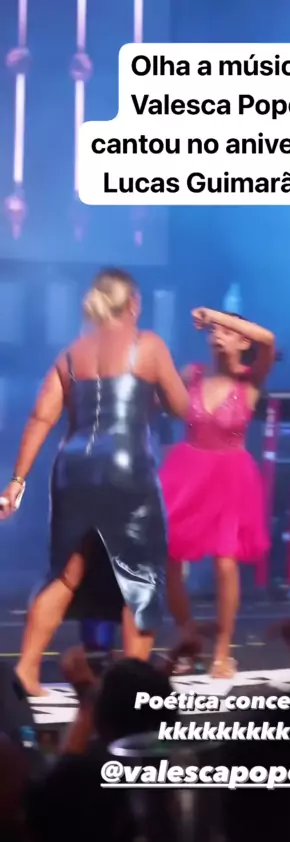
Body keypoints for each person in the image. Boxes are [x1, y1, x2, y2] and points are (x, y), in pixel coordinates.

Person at [0, 268, 188, 695]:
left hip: (73, 467)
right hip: (126, 466)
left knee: (65, 574)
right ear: (134, 304)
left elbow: (41, 417)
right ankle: (132, 681)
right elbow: (181, 408)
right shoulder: (149, 345)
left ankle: (27, 670)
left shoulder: (71, 353)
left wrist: (16, 481)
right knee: (140, 576)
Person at [159, 308, 275, 678]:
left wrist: (215, 314)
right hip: (187, 474)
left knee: (226, 563)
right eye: (215, 330)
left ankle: (223, 652)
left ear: (243, 340)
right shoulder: (192, 374)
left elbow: (268, 340)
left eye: (228, 330)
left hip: (231, 478)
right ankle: (188, 635)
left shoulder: (250, 381)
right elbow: (162, 404)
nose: (218, 334)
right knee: (169, 559)